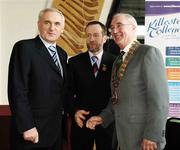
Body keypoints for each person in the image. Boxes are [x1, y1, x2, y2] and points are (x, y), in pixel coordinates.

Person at [86, 13, 169, 150]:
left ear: (133, 28)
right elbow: (117, 99)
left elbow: (159, 101)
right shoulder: (117, 61)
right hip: (121, 137)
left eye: (119, 25)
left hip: (144, 139)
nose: (115, 31)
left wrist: (153, 135)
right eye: (112, 28)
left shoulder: (148, 53)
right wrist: (102, 118)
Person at [8, 8, 68, 150]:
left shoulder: (62, 54)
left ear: (63, 29)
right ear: (39, 24)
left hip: (55, 132)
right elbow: (17, 90)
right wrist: (27, 126)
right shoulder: (24, 48)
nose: (52, 28)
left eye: (57, 24)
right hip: (31, 132)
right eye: (47, 22)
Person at [68, 21, 116, 150]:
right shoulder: (74, 62)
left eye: (95, 35)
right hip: (81, 123)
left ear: (105, 38)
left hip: (107, 123)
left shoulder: (115, 62)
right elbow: (66, 93)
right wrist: (74, 111)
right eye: (88, 35)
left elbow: (118, 94)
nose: (91, 39)